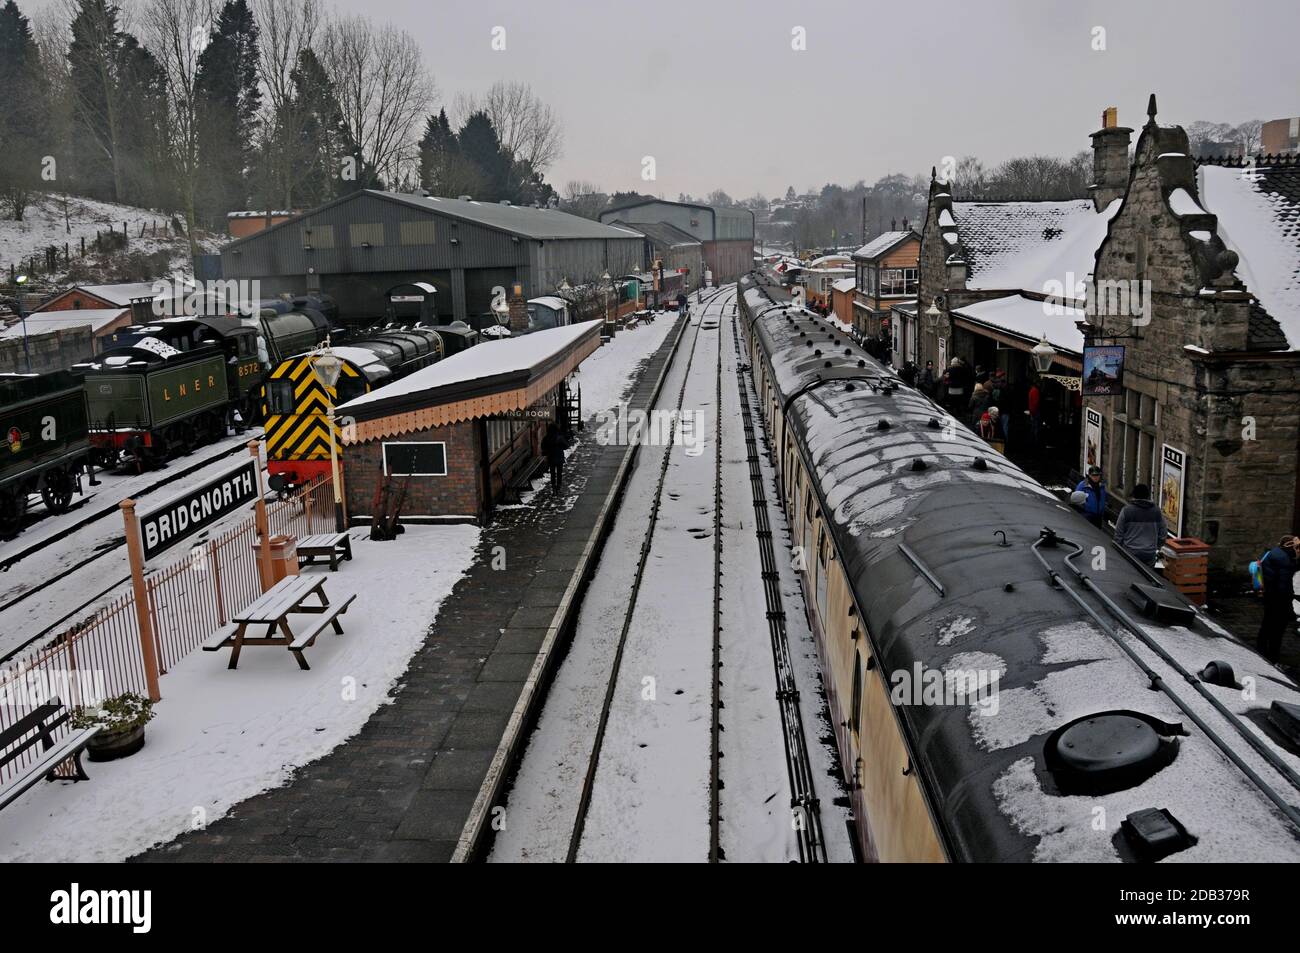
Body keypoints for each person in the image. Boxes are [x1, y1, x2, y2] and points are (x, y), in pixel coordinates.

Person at [1257, 536, 1299, 663]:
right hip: (1278, 600)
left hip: (1269, 596)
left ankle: (1260, 651)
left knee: (1267, 624)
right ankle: (1272, 659)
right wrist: (1289, 604)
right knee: (1277, 630)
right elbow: (1284, 587)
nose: (1299, 550)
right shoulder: (1284, 560)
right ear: (1290, 546)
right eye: (1297, 547)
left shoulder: (1275, 553)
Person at [1113, 483, 1166, 567]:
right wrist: (1156, 546)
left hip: (1130, 551)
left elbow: (1118, 533)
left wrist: (1119, 550)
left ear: (1134, 495)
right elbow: (1163, 534)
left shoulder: (1126, 510)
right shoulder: (1157, 511)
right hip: (1149, 553)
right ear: (1148, 496)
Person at [541, 422, 568, 493]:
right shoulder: (560, 437)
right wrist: (560, 447)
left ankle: (553, 487)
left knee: (552, 474)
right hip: (559, 457)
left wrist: (547, 451)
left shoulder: (546, 438)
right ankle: (558, 487)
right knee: (559, 473)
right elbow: (566, 446)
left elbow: (543, 447)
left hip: (551, 458)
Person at [1027, 380, 1042, 446]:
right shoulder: (1035, 391)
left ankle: (1032, 440)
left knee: (1033, 426)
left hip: (1032, 410)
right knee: (1036, 426)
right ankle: (1035, 441)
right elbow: (1036, 402)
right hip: (1035, 411)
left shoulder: (1031, 391)